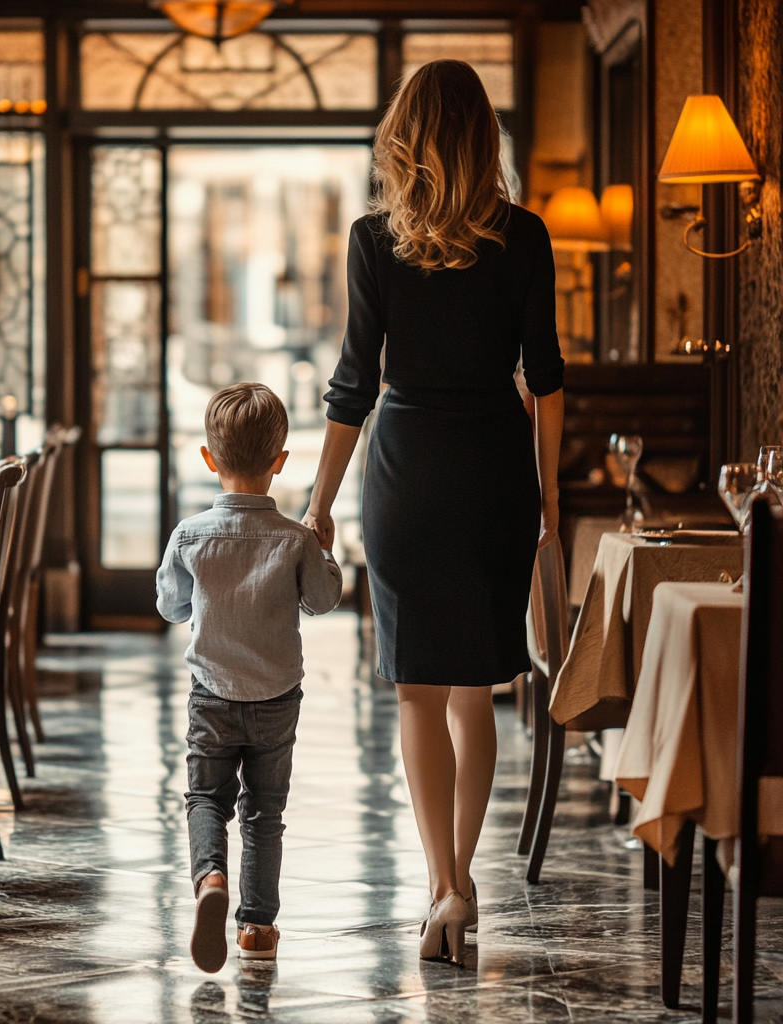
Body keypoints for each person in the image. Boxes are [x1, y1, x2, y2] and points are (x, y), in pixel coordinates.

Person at [302, 60, 565, 967]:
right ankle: (461, 885)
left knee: (416, 686)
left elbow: (353, 385)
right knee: (474, 690)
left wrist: (319, 504)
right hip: (496, 469)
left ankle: (442, 882)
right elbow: (548, 380)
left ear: (405, 135)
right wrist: (551, 503)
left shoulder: (374, 239)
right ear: (484, 135)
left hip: (407, 475)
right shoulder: (525, 236)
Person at [157, 382, 343, 974]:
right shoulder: (292, 538)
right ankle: (258, 928)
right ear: (280, 462)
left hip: (211, 694)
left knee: (205, 796)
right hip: (276, 699)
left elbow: (170, 607)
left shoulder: (189, 535)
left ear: (209, 460)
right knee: (265, 809)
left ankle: (210, 877)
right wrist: (325, 549)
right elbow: (324, 599)